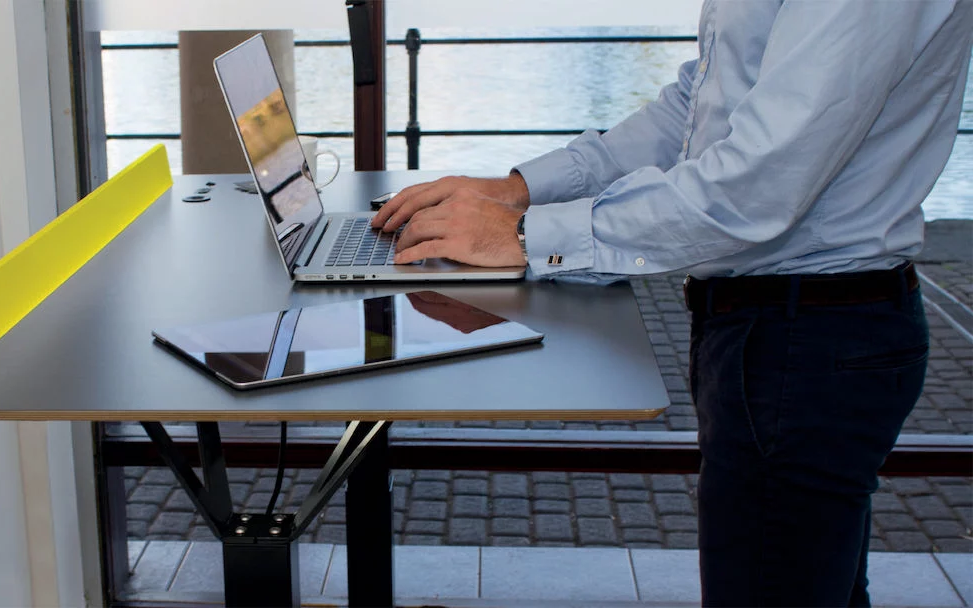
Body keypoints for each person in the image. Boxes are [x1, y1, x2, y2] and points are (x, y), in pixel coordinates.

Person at [372, 1, 973, 605]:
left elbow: (758, 183)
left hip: (809, 338)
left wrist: (526, 237)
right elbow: (695, 107)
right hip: (778, 326)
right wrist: (517, 192)